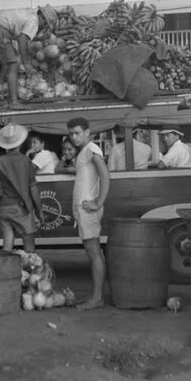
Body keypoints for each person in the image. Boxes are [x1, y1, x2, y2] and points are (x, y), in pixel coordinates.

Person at [67, 117, 110, 310]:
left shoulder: (92, 149)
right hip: (83, 209)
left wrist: (98, 202)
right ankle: (96, 296)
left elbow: (105, 175)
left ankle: (97, 298)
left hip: (88, 209)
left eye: (77, 133)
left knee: (94, 253)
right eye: (71, 133)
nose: (73, 137)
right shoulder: (83, 152)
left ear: (87, 132)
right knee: (93, 252)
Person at [0, 123, 44, 253]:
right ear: (21, 143)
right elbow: (33, 189)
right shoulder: (25, 161)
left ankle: (7, 272)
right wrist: (40, 211)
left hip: (5, 208)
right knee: (29, 247)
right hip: (22, 208)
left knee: (7, 245)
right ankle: (30, 271)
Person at [0, 7, 54, 110]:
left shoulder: (30, 17)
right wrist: (26, 63)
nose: (43, 26)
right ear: (42, 17)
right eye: (45, 23)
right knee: (13, 65)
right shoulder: (34, 21)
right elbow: (22, 40)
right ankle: (14, 103)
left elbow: (22, 36)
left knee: (10, 59)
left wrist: (39, 38)